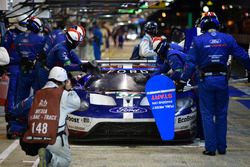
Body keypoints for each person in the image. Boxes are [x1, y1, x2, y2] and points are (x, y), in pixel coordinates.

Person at [179, 12, 250, 156]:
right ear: (217, 24)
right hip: (222, 80)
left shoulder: (197, 41)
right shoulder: (228, 39)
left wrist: (182, 80)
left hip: (205, 81)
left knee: (207, 114)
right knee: (222, 114)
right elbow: (243, 56)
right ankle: (222, 148)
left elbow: (190, 63)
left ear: (203, 24)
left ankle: (211, 149)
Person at [21, 66, 81, 167]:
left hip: (35, 139)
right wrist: (69, 89)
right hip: (54, 138)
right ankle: (49, 157)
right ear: (64, 81)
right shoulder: (63, 94)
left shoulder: (37, 94)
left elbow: (20, 108)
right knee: (65, 161)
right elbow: (77, 103)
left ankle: (47, 157)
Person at [1, 15, 28, 138]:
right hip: (12, 67)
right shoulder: (9, 35)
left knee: (21, 94)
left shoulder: (27, 36)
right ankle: (11, 118)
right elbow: (3, 51)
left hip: (23, 67)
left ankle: (19, 118)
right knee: (11, 93)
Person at [15, 16, 45, 107]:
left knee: (21, 95)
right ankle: (35, 115)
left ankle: (18, 116)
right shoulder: (41, 39)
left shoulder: (18, 37)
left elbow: (16, 51)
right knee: (38, 95)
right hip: (36, 70)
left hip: (23, 69)